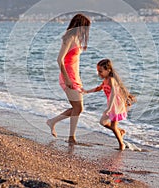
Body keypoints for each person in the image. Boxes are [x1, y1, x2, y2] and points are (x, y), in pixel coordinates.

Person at [46, 13, 91, 144]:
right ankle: (71, 137)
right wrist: (67, 79)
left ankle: (52, 121)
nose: (86, 31)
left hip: (75, 77)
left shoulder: (76, 39)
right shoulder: (70, 38)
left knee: (78, 107)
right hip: (68, 77)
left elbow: (75, 62)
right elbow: (59, 59)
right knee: (78, 107)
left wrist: (78, 79)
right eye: (85, 27)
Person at [84, 58, 136, 150]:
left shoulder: (111, 80)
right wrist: (86, 91)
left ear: (108, 70)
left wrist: (110, 108)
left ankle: (121, 144)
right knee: (103, 122)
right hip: (112, 104)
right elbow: (99, 88)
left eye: (100, 71)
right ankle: (120, 131)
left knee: (111, 125)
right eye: (98, 71)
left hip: (116, 105)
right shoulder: (105, 80)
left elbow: (113, 94)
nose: (99, 74)